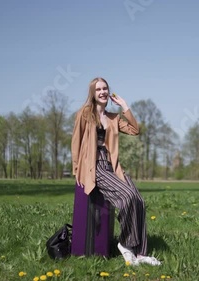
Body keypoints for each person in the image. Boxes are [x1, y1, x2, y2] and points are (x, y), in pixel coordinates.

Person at [71, 77, 161, 266]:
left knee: (139, 201)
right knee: (127, 197)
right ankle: (125, 244)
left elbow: (135, 130)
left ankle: (140, 254)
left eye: (105, 88)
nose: (103, 92)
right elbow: (76, 141)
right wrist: (76, 170)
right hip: (93, 166)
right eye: (98, 90)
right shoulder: (85, 114)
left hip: (112, 166)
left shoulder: (113, 118)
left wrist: (125, 106)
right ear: (93, 94)